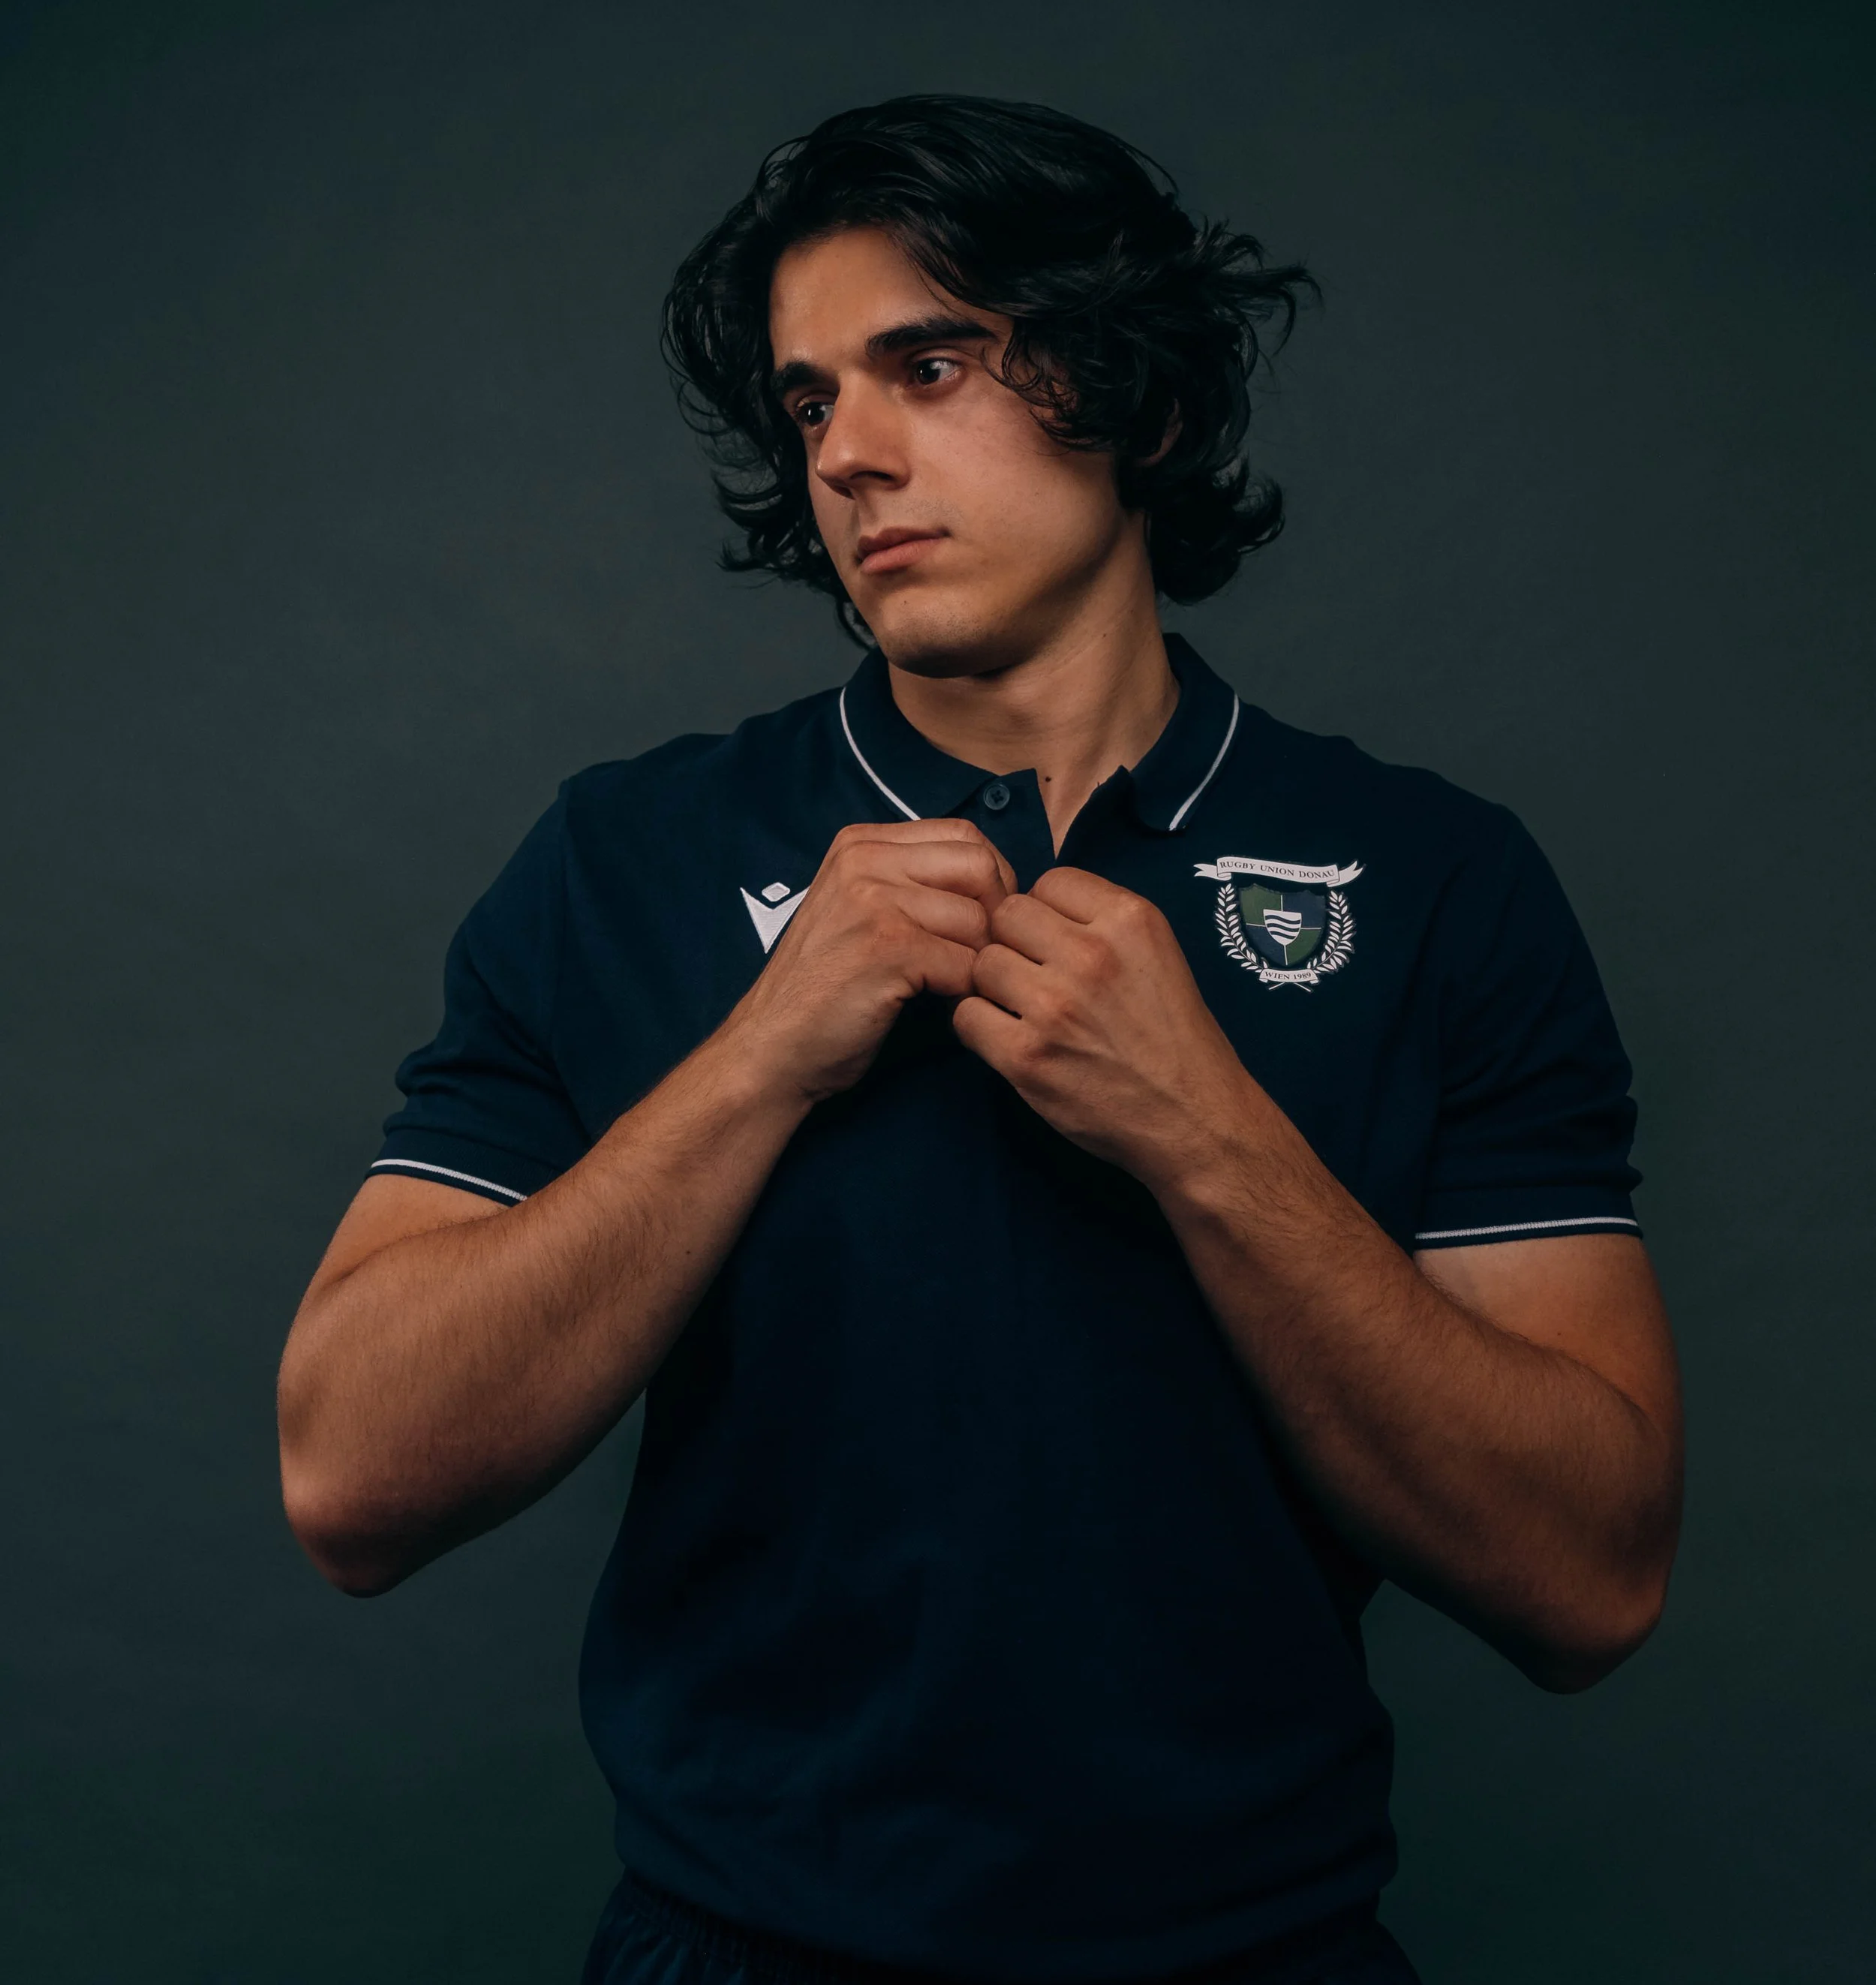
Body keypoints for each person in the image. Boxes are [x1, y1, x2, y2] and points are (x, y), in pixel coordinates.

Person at [277, 96, 1682, 1985]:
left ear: (1143, 401)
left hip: (1257, 1953)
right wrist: (762, 1053)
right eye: (803, 403)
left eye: (924, 364)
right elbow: (348, 1478)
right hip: (738, 1948)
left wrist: (1208, 1134)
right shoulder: (624, 857)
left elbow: (1588, 1580)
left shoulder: (1436, 880)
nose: (846, 455)